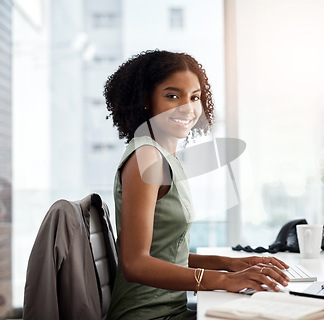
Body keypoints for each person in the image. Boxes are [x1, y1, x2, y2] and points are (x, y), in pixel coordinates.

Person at [104, 50, 290, 320]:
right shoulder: (146, 158)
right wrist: (225, 280)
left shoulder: (163, 156)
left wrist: (230, 265)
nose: (187, 108)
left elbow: (165, 253)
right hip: (147, 315)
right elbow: (135, 263)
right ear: (146, 100)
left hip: (171, 310)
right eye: (172, 96)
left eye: (194, 97)